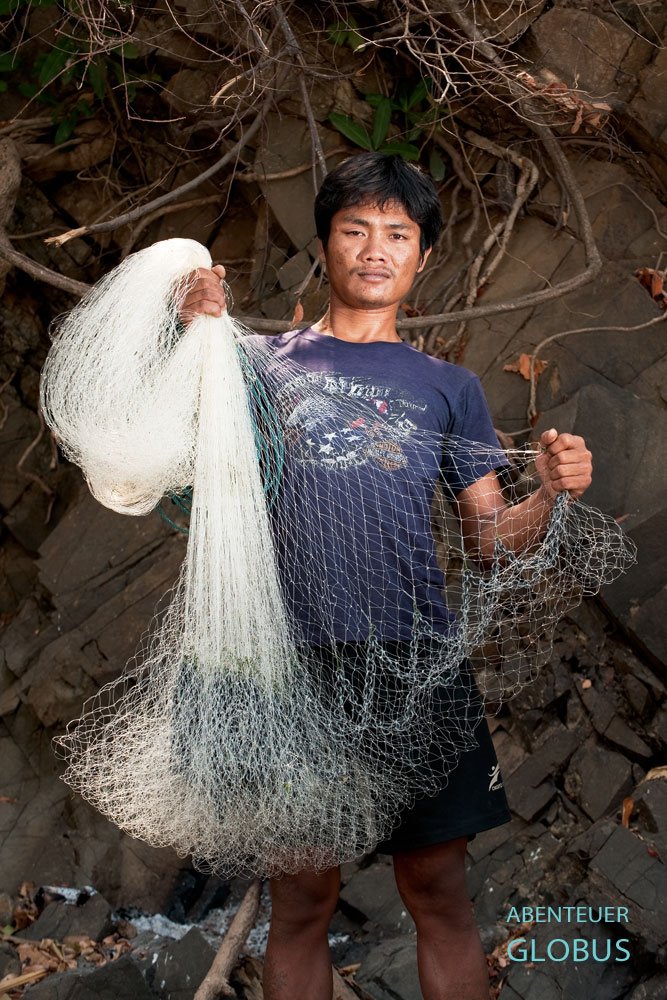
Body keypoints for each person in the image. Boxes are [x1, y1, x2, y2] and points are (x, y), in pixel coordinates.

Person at [178, 153, 592, 1000]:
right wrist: (192, 333)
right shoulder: (257, 364)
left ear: (421, 257)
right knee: (303, 898)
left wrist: (547, 493)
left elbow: (490, 544)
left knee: (437, 891)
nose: (375, 249)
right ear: (325, 245)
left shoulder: (448, 387)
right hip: (290, 669)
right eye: (354, 229)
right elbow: (175, 454)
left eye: (396, 234)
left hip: (416, 663)